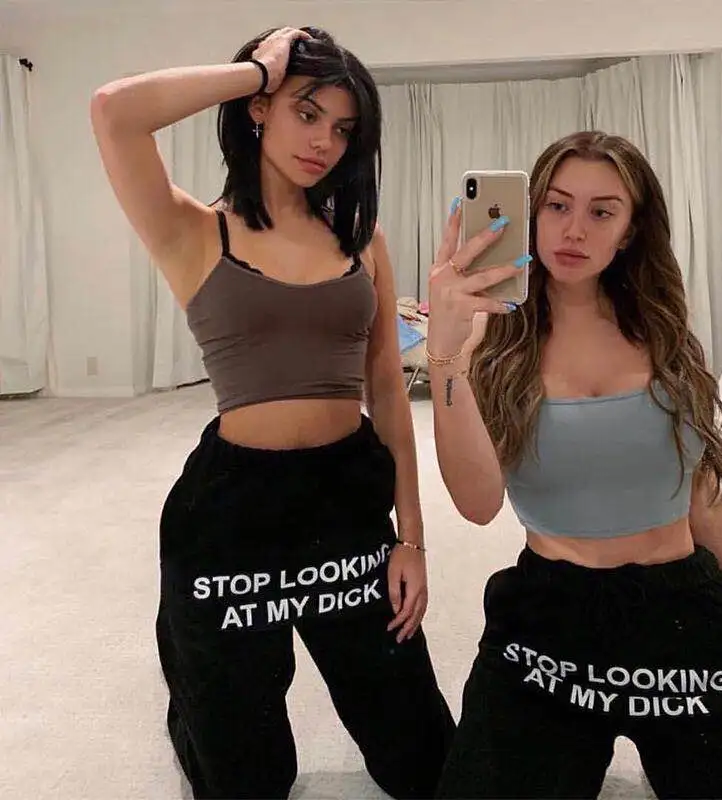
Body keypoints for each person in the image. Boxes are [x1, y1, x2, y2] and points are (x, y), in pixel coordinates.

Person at [90, 26, 454, 800]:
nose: (325, 141)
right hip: (229, 517)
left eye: (344, 128)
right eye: (307, 112)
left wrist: (412, 539)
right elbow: (115, 111)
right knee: (248, 783)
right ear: (260, 109)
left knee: (426, 766)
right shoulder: (193, 230)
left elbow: (387, 389)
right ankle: (194, 700)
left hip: (345, 503)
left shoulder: (363, 240)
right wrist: (255, 72)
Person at [424, 131, 722, 799]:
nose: (575, 229)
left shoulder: (666, 334)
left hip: (683, 611)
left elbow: (703, 500)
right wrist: (445, 356)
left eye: (602, 211)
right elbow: (478, 504)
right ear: (532, 212)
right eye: (557, 205)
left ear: (629, 231)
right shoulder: (489, 344)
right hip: (549, 616)